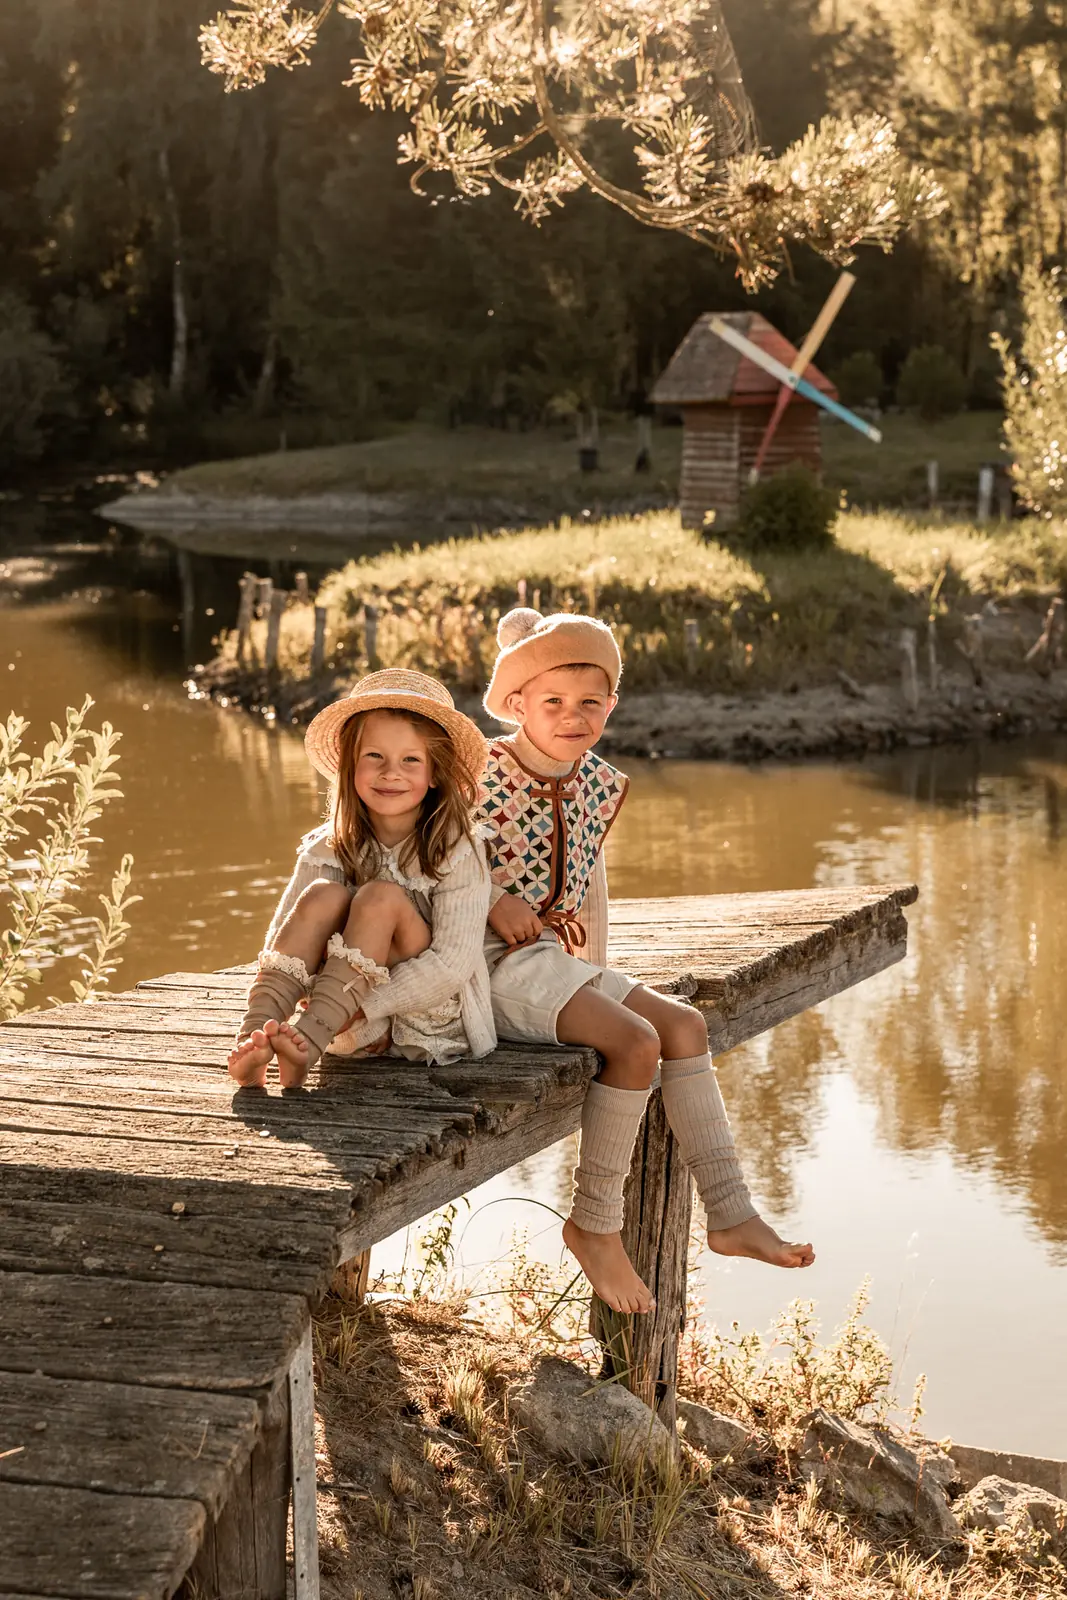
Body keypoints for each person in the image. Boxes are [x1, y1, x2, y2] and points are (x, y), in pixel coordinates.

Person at [477, 608, 815, 1316]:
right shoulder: (477, 772)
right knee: (634, 1042)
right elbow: (424, 863)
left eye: (588, 704)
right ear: (517, 705)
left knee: (684, 1025)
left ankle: (729, 1212)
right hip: (482, 967)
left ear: (611, 706)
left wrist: (597, 979)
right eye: (552, 704)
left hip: (550, 965)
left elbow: (588, 890)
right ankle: (594, 1224)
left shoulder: (596, 782)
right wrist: (485, 900)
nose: (572, 718)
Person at [228, 669, 495, 1088]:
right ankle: (257, 1040)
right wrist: (323, 1009)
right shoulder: (328, 846)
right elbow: (283, 937)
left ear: (435, 773)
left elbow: (453, 964)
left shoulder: (458, 849)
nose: (392, 773)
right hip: (340, 1015)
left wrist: (367, 1005)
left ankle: (306, 1042)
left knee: (380, 898)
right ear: (350, 765)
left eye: (411, 760)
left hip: (418, 1019)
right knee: (320, 896)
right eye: (375, 757)